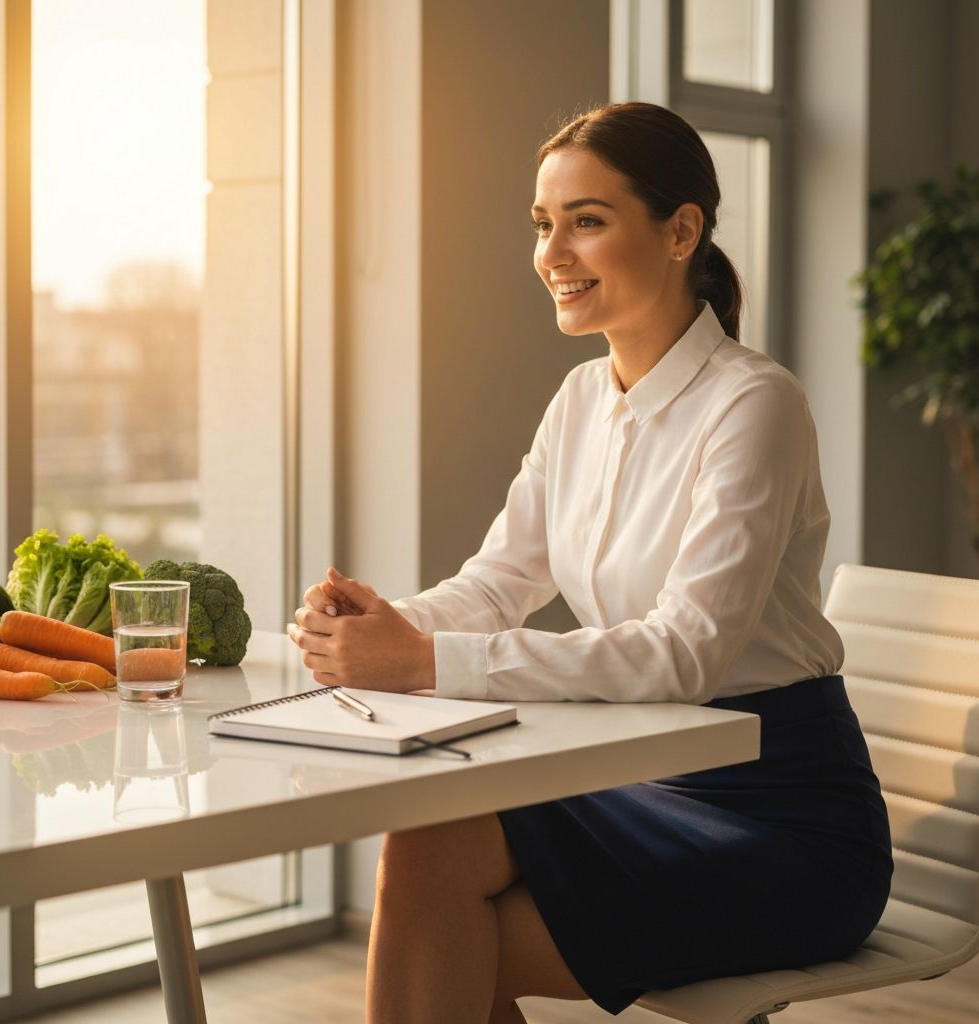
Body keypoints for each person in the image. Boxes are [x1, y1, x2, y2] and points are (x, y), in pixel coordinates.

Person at [288, 102, 893, 1024]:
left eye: (588, 221)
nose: (553, 253)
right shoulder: (579, 399)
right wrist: (388, 626)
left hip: (785, 818)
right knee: (432, 838)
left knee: (448, 936)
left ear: (681, 230)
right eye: (543, 224)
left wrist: (421, 664)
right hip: (637, 780)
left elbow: (684, 655)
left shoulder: (755, 406)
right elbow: (500, 583)